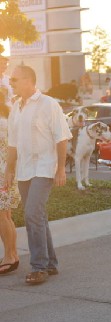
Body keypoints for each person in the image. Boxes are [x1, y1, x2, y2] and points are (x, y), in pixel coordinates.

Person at [4, 65, 72, 285]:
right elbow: (13, 143)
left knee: (32, 213)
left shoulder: (48, 104)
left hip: (44, 167)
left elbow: (61, 138)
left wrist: (60, 168)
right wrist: (9, 170)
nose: (11, 83)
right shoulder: (16, 107)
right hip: (24, 170)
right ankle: (50, 263)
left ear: (28, 80)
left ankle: (39, 267)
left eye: (14, 79)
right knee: (39, 215)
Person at [0, 90, 20, 275]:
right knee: (6, 215)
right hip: (8, 170)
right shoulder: (7, 114)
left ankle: (8, 257)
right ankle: (12, 254)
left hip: (2, 172)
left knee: (2, 216)